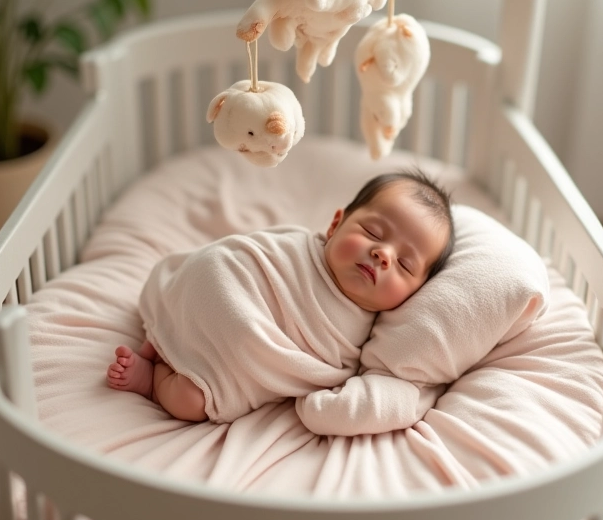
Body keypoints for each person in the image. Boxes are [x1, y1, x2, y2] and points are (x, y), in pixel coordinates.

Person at [106, 169, 455, 423]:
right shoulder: (296, 247)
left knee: (190, 401)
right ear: (335, 225)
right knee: (209, 270)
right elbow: (246, 254)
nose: (383, 254)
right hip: (219, 281)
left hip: (237, 351)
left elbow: (315, 372)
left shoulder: (371, 339)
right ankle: (168, 330)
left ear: (416, 293)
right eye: (372, 232)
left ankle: (154, 378)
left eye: (405, 264)